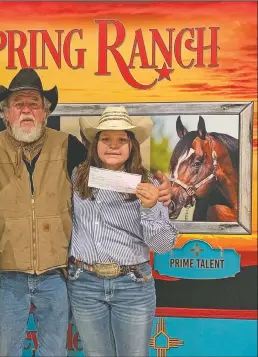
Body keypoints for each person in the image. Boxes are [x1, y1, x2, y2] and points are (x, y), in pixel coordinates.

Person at [0, 69, 173, 356]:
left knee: (54, 352)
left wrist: (162, 189)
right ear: (5, 113)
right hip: (7, 278)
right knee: (6, 352)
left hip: (58, 278)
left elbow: (112, 172)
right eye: (18, 104)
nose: (26, 110)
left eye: (34, 104)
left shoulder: (69, 147)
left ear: (45, 112)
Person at [67, 106, 179, 357]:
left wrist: (150, 208)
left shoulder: (149, 185)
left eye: (121, 140)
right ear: (95, 144)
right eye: (105, 138)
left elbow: (163, 245)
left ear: (132, 147)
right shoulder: (76, 177)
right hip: (84, 283)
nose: (113, 146)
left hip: (132, 285)